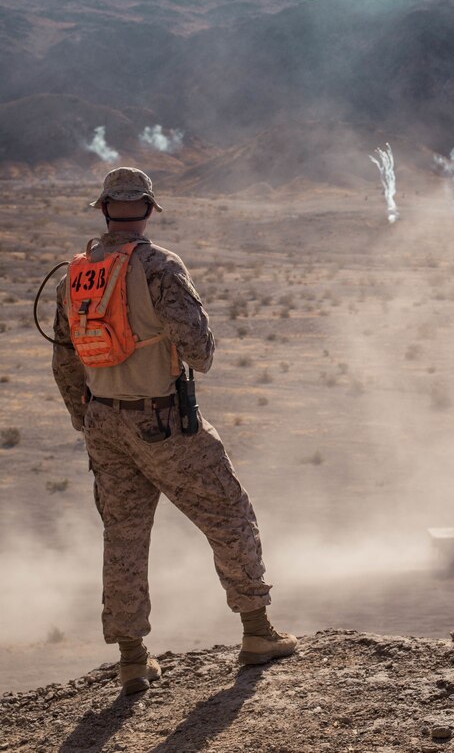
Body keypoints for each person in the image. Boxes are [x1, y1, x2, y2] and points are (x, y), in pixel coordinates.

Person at [52, 167, 296, 694]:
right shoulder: (160, 266)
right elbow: (200, 353)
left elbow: (65, 363)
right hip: (161, 421)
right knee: (229, 514)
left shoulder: (75, 274)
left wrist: (89, 423)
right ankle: (257, 632)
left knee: (123, 538)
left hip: (104, 422)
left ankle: (133, 659)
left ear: (104, 210)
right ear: (146, 210)